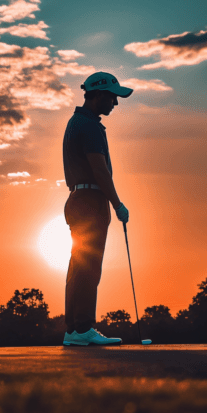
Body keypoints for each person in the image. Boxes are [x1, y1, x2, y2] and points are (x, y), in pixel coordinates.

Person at [62, 71, 133, 346]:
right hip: (90, 202)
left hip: (81, 201)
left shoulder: (78, 121)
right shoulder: (89, 126)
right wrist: (117, 204)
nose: (115, 103)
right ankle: (82, 329)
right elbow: (100, 171)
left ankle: (75, 329)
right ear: (99, 95)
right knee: (88, 267)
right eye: (113, 97)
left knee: (79, 266)